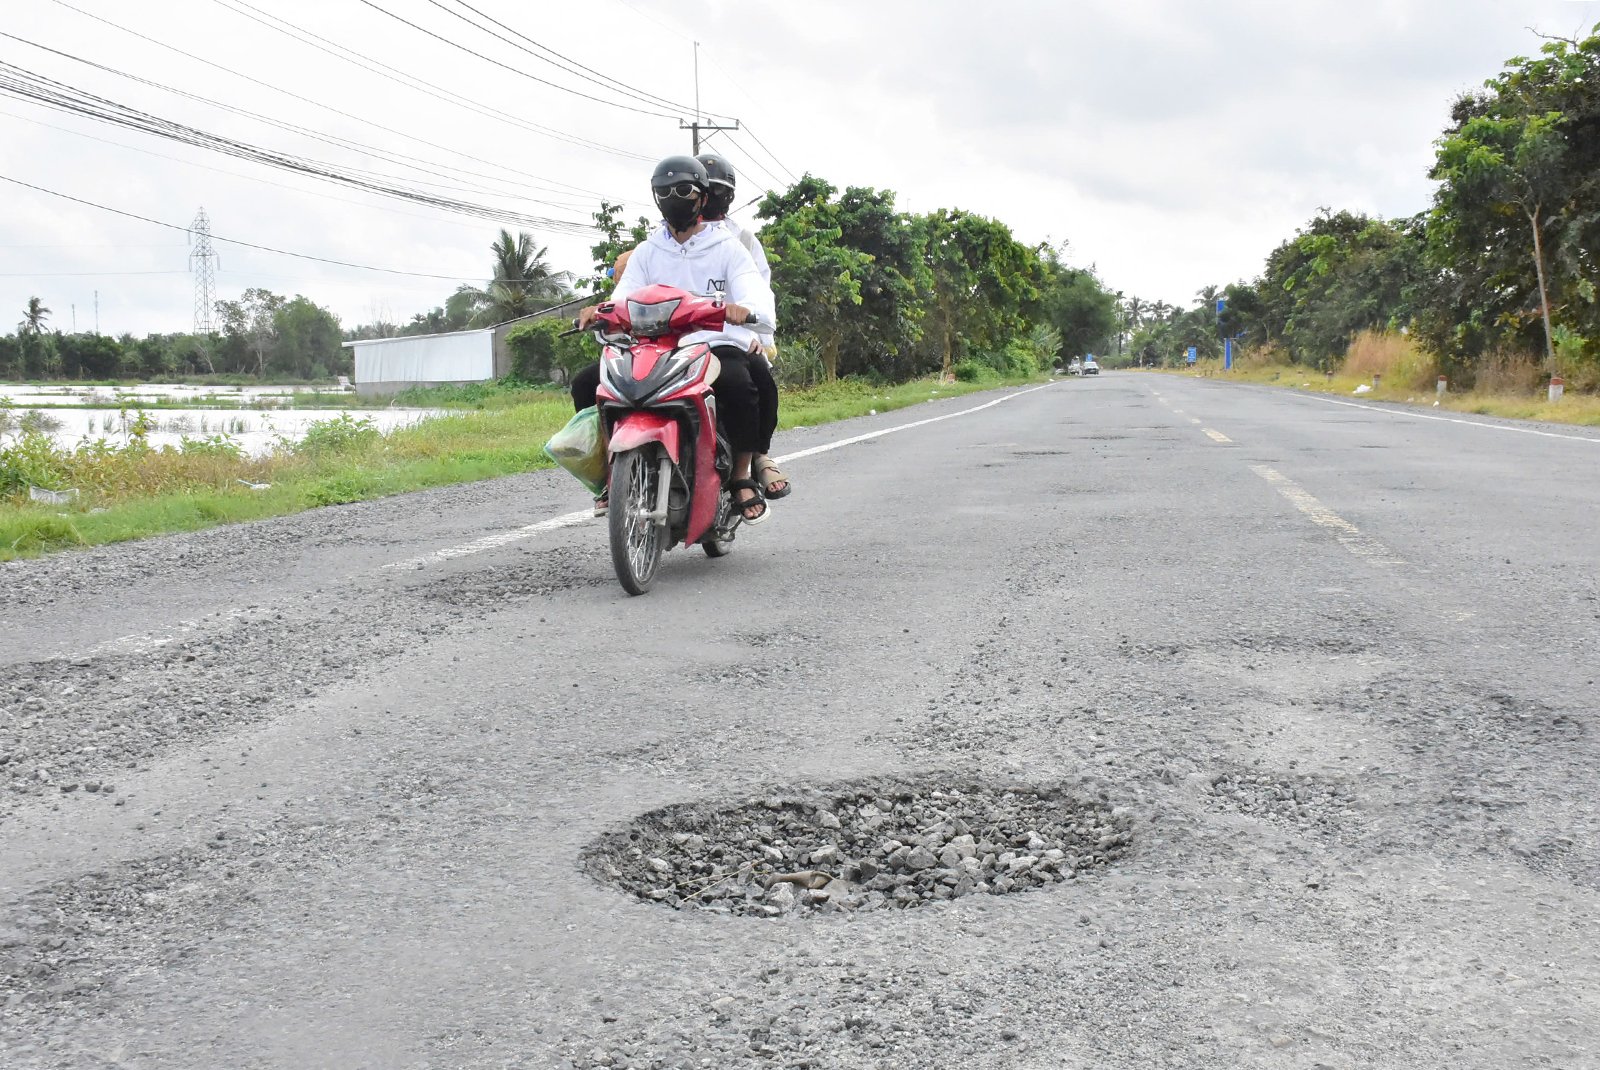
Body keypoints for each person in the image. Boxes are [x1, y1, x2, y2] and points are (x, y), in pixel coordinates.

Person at [576, 155, 775, 523]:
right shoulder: (650, 250)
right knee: (588, 382)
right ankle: (610, 476)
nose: (674, 197)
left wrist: (743, 308)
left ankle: (742, 474)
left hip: (712, 344)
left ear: (701, 198)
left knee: (740, 383)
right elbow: (624, 294)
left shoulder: (729, 247)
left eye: (683, 190)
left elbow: (753, 290)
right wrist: (601, 311)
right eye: (664, 191)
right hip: (656, 346)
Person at [696, 153, 788, 500]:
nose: (707, 199)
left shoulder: (742, 242)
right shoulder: (663, 240)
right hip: (676, 339)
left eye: (716, 191)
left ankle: (753, 460)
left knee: (757, 382)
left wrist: (759, 337)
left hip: (731, 335)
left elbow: (759, 293)